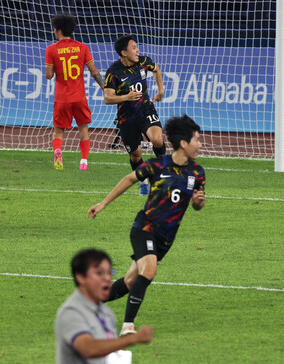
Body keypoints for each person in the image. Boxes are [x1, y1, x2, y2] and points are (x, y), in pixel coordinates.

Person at [88, 115, 206, 336]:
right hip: (144, 228)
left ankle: (90, 307)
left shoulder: (197, 173)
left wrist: (198, 203)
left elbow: (196, 204)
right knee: (149, 271)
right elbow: (129, 179)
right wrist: (103, 203)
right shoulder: (157, 165)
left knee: (131, 280)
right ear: (183, 143)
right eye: (197, 140)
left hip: (166, 239)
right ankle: (127, 327)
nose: (200, 144)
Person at [55, 249, 153, 364]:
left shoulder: (106, 313)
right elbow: (88, 348)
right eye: (99, 273)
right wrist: (132, 339)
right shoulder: (72, 312)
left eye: (109, 273)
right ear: (81, 277)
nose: (107, 278)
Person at [103, 35, 166, 195]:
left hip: (146, 109)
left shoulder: (144, 62)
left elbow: (156, 69)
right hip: (127, 117)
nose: (138, 50)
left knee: (157, 140)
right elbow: (108, 98)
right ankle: (143, 181)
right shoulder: (113, 72)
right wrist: (126, 97)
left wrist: (160, 91)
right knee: (136, 156)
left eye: (137, 47)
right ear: (124, 52)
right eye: (134, 47)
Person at [45, 13, 105, 171]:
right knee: (83, 129)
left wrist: (53, 67)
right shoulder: (82, 47)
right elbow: (94, 72)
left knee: (58, 130)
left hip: (61, 98)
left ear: (58, 31)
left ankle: (58, 152)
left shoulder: (51, 49)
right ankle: (84, 161)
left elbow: (49, 75)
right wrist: (106, 89)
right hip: (79, 97)